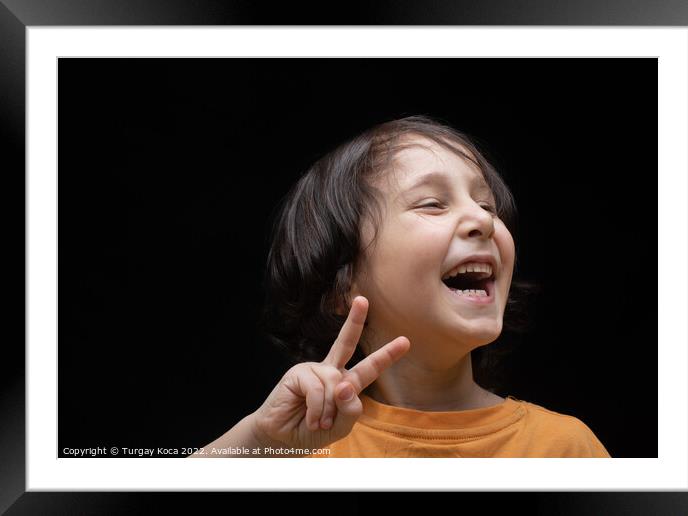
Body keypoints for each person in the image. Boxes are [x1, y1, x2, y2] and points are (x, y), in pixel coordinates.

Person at [189, 115, 611, 458]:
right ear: (343, 282)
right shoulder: (305, 445)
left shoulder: (564, 448)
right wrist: (260, 443)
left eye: (486, 205)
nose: (483, 220)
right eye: (432, 203)